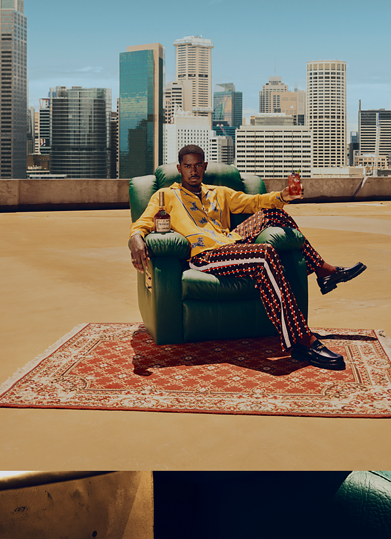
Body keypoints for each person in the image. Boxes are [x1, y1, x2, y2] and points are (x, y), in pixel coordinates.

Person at [128, 145, 366, 370]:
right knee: (264, 255)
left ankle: (323, 270)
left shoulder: (218, 193)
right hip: (204, 255)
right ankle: (301, 339)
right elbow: (143, 222)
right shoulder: (165, 195)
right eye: (188, 166)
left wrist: (283, 196)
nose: (194, 171)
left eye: (198, 165)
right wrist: (136, 237)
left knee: (274, 214)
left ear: (205, 166)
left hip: (230, 242)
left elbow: (253, 202)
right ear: (179, 168)